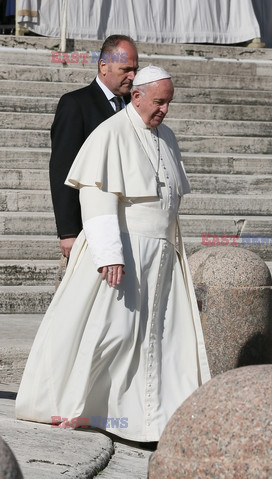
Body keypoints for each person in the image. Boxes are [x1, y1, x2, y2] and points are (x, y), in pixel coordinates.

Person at [15, 66, 211, 442]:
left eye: (168, 103)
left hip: (162, 254)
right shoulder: (109, 134)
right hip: (123, 252)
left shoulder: (166, 136)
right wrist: (109, 255)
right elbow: (98, 199)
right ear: (136, 96)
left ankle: (149, 416)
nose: (164, 110)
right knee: (114, 334)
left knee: (161, 340)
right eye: (158, 102)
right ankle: (81, 407)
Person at [49, 34, 138, 259]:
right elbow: (63, 168)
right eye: (126, 69)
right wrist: (68, 231)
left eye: (135, 69)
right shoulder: (75, 104)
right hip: (89, 226)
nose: (132, 76)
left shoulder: (135, 107)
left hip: (130, 226)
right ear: (103, 65)